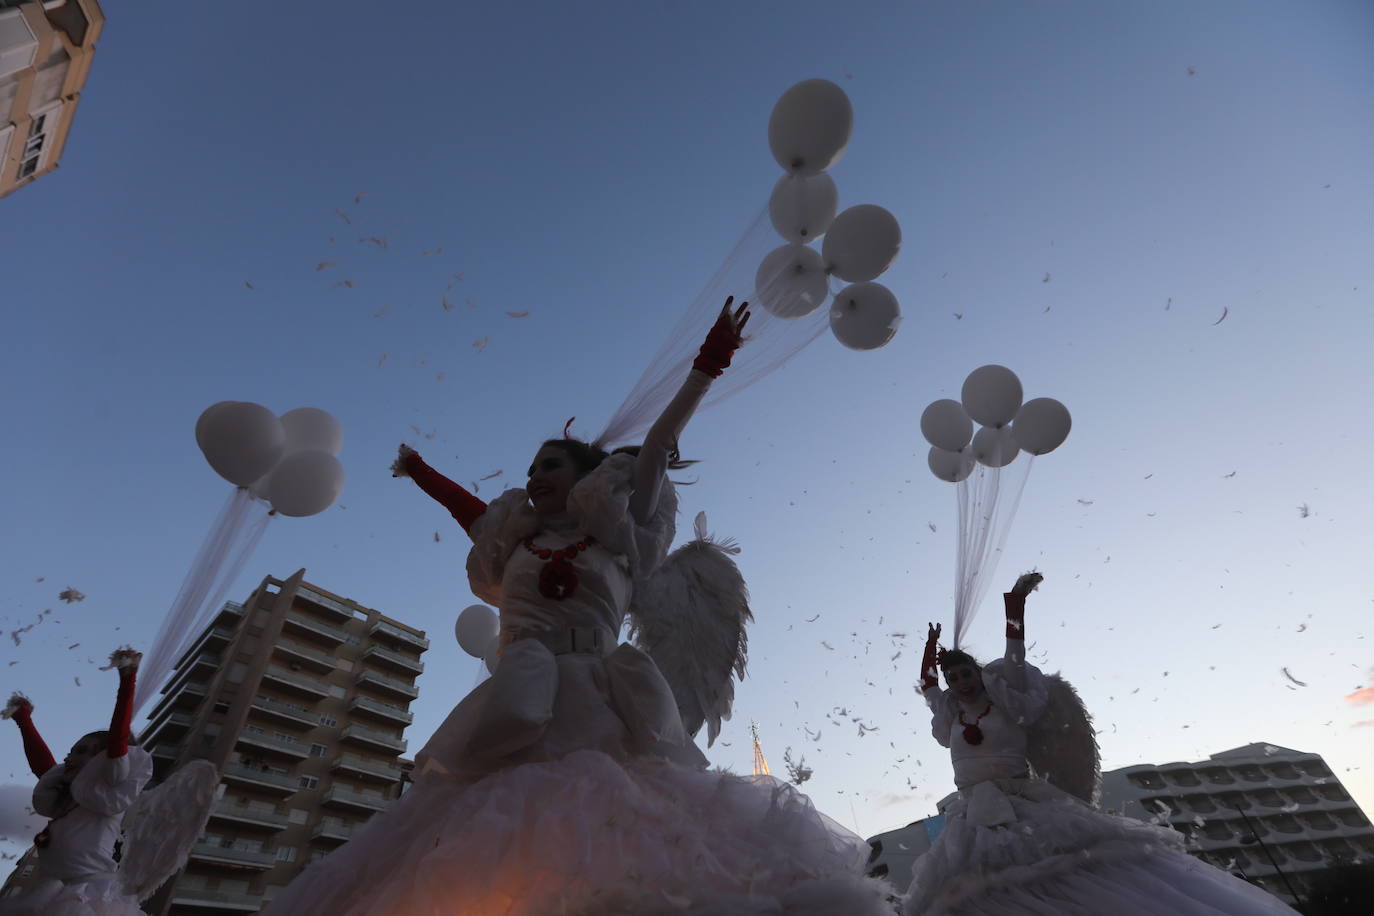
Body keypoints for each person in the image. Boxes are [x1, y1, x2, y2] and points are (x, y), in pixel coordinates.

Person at [260, 298, 891, 916]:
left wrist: (710, 360)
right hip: (521, 695)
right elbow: (466, 511)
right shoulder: (513, 539)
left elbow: (659, 445)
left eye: (550, 465)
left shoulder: (621, 536)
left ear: (584, 475)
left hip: (602, 697)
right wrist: (419, 469)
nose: (535, 476)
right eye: (531, 467)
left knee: (627, 832)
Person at [904, 573, 1298, 915]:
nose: (961, 681)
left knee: (1071, 874)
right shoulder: (949, 715)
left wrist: (1015, 602)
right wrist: (930, 646)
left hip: (1023, 802)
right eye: (953, 677)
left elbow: (1015, 652)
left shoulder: (1009, 701)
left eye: (966, 672)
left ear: (978, 671)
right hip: (973, 812)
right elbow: (927, 685)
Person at [1, 649, 153, 916]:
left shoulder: (107, 790)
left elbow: (118, 742)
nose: (69, 758)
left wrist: (127, 678)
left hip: (89, 894)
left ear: (102, 760)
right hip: (52, 890)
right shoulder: (69, 796)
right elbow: (44, 767)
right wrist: (24, 720)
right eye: (71, 751)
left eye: (82, 751)